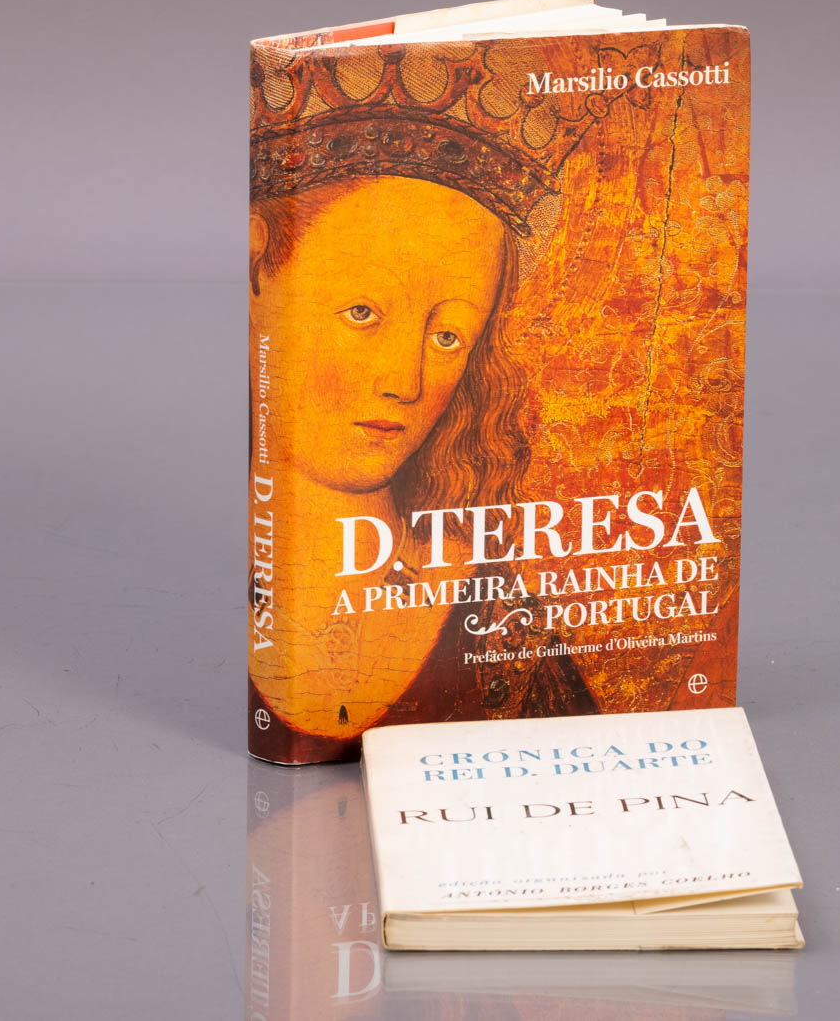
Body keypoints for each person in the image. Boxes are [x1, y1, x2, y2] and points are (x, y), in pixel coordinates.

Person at [249, 173, 597, 753]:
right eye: (362, 312)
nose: (405, 382)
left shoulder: (497, 625)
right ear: (258, 270)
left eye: (447, 338)